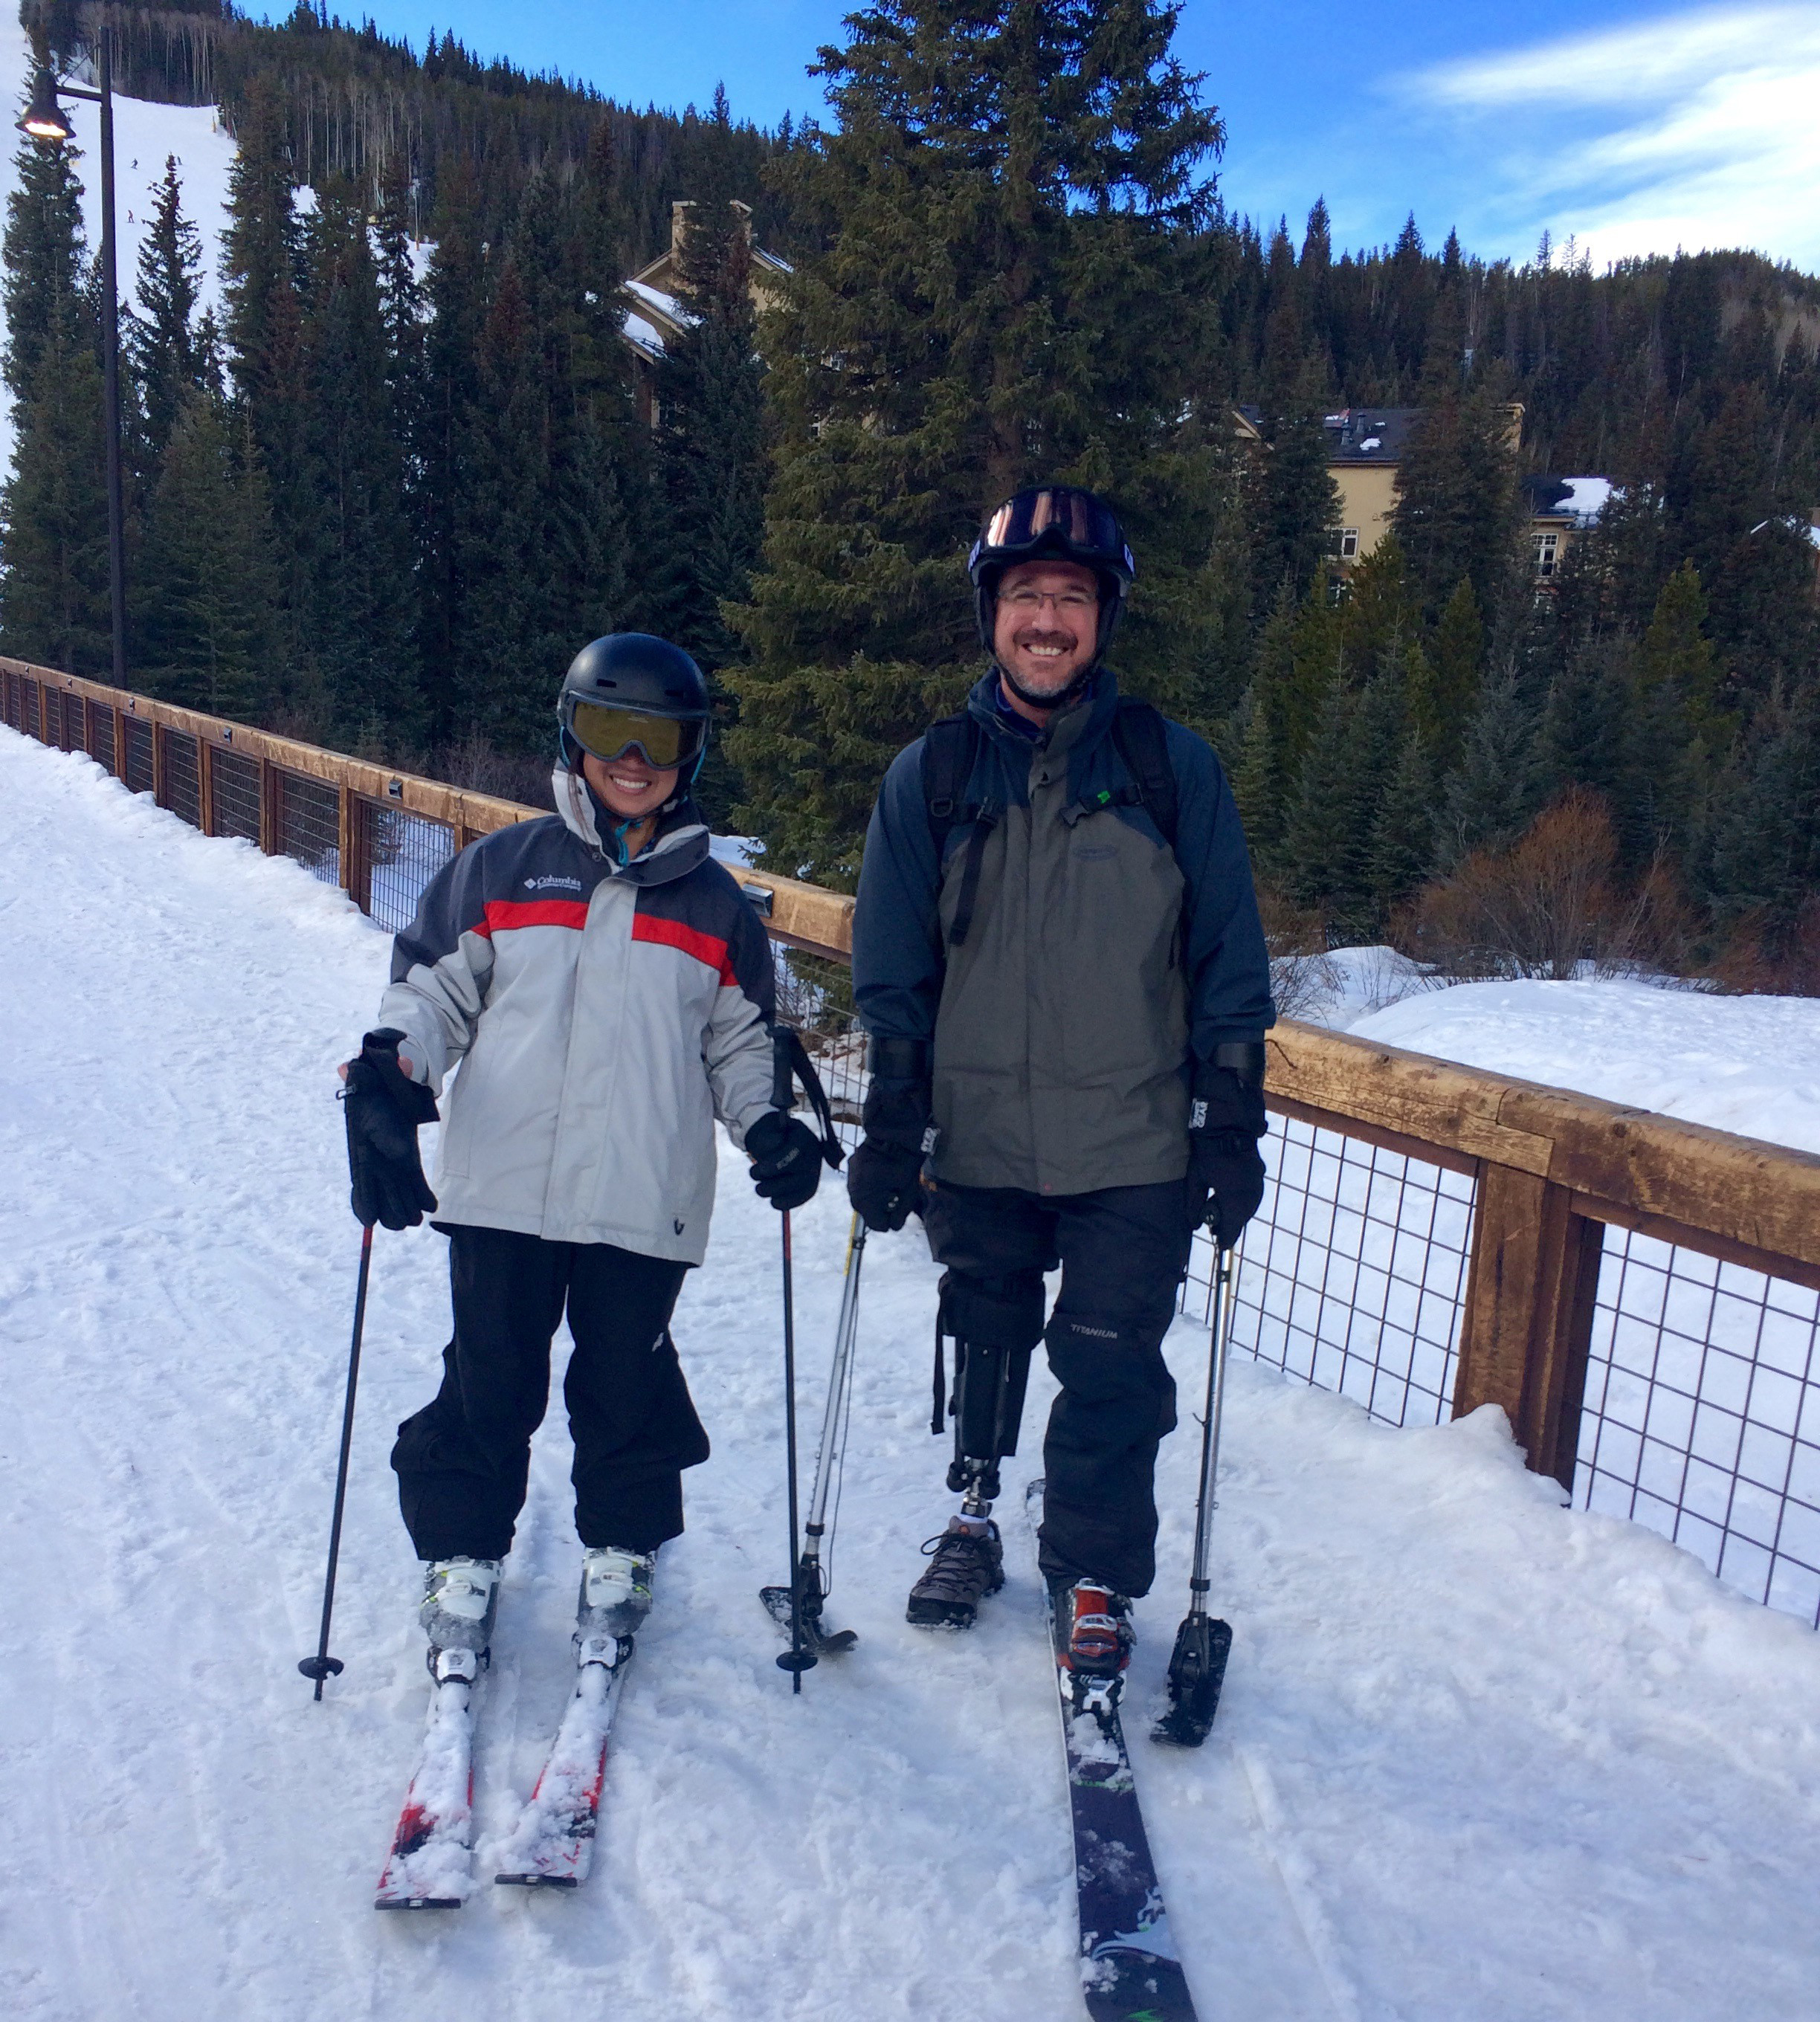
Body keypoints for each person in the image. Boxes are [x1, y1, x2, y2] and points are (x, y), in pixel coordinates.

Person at [846, 485, 1273, 1692]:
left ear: (1103, 619)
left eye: (1071, 600)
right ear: (993, 615)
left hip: (1132, 1139)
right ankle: (975, 1515)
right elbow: (895, 966)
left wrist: (1229, 1124)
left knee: (1110, 1364)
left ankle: (1092, 1572)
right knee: (986, 1333)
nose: (1047, 620)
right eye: (1026, 596)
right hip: (977, 1129)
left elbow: (1227, 959)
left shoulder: (1167, 769)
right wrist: (891, 1121)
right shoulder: (931, 777)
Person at [341, 632, 827, 1687]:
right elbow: (434, 995)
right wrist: (394, 1072)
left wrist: (769, 1125)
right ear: (575, 733)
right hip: (504, 1189)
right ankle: (463, 1551)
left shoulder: (717, 909)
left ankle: (621, 1545)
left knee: (626, 1382)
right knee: (490, 1377)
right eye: (614, 730)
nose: (635, 758)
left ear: (689, 754)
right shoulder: (500, 868)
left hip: (641, 1198)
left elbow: (740, 1047)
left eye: (661, 737)